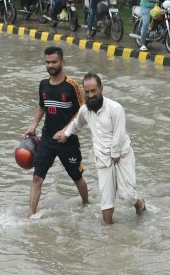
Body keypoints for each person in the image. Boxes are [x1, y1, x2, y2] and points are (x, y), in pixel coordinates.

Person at [54, 74, 146, 225]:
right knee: (106, 206)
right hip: (102, 157)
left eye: (93, 91)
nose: (90, 95)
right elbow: (76, 124)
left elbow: (119, 134)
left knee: (127, 197)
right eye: (87, 92)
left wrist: (115, 153)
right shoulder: (85, 110)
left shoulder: (115, 108)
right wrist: (65, 134)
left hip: (122, 155)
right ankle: (109, 236)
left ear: (101, 89)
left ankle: (139, 203)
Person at [25, 47, 90, 217]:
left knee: (77, 177)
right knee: (37, 178)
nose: (50, 65)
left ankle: (87, 205)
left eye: (54, 62)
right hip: (47, 139)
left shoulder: (72, 86)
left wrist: (65, 131)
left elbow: (82, 111)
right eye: (48, 62)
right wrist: (33, 126)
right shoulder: (43, 84)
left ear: (62, 62)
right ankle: (31, 216)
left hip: (68, 141)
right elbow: (42, 106)